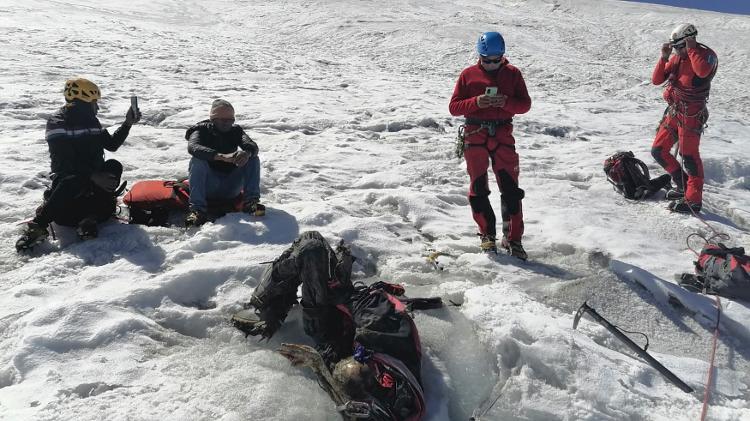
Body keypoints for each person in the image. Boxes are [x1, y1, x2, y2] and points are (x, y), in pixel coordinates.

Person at [231, 231, 428, 421]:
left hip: (328, 333)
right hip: (347, 316)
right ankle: (270, 303)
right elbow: (362, 303)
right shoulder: (383, 331)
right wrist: (337, 286)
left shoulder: (379, 399)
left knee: (311, 247)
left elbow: (345, 399)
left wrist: (316, 362)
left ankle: (265, 308)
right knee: (313, 244)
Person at [16, 78, 140, 251]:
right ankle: (38, 226)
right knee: (72, 179)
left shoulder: (92, 122)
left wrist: (127, 124)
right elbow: (64, 164)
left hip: (93, 189)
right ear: (82, 103)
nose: (97, 107)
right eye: (94, 103)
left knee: (113, 165)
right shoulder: (58, 122)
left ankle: (89, 220)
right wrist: (94, 176)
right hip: (68, 194)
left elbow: (111, 145)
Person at [449, 31, 532, 259]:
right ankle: (487, 236)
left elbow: (525, 105)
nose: (492, 64)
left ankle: (513, 240)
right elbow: (454, 107)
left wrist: (506, 102)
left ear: (503, 56)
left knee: (511, 189)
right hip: (475, 135)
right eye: (487, 60)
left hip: (503, 135)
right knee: (478, 188)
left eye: (497, 60)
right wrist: (476, 102)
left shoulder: (513, 74)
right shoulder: (468, 75)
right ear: (480, 56)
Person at [651, 23, 718, 214]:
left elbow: (702, 72)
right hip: (674, 112)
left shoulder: (705, 55)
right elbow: (657, 80)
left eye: (679, 46)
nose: (677, 51)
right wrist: (664, 57)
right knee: (658, 150)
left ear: (690, 40)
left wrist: (692, 49)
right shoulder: (676, 58)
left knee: (689, 157)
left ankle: (693, 200)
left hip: (691, 115)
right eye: (675, 47)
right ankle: (683, 186)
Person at [185, 99, 264, 227]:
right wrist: (220, 156)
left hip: (230, 186)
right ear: (213, 119)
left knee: (252, 158)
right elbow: (193, 147)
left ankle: (251, 203)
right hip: (208, 186)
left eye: (230, 120)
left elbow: (252, 146)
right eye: (223, 120)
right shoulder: (200, 130)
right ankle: (197, 210)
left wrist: (246, 153)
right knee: (197, 159)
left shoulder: (236, 131)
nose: (227, 124)